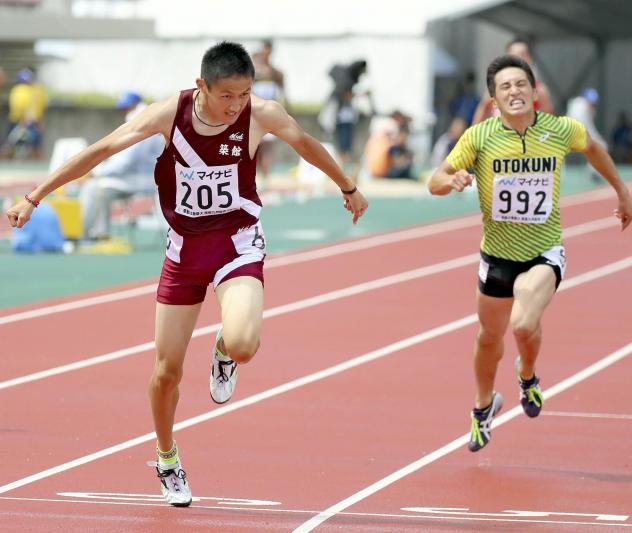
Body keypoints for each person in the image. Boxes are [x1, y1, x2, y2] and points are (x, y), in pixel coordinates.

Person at [6, 41, 368, 506]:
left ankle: (222, 349)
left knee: (243, 343)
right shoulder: (166, 115)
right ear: (202, 86)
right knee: (166, 373)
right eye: (227, 96)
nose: (237, 105)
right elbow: (100, 151)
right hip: (184, 253)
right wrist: (34, 197)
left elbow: (306, 144)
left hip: (238, 243)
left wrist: (348, 186)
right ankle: (166, 456)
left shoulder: (262, 114)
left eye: (244, 94)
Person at [428, 55, 632, 453]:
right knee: (489, 336)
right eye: (505, 87)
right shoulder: (480, 137)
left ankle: (527, 374)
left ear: (535, 91)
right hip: (496, 255)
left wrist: (624, 194)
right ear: (493, 99)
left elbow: (594, 149)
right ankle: (483, 407)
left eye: (521, 84)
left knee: (523, 324)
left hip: (544, 250)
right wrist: (451, 179)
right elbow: (434, 181)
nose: (515, 92)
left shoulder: (560, 130)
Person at [79, 91, 165, 240]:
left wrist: (97, 172)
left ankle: (87, 235)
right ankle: (100, 233)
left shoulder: (143, 121)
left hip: (144, 179)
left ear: (135, 106)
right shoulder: (149, 118)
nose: (124, 112)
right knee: (99, 188)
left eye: (127, 108)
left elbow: (126, 161)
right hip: (145, 176)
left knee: (93, 188)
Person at [472, 37, 554, 124]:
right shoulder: (496, 87)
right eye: (514, 55)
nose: (519, 59)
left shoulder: (539, 90)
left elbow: (550, 122)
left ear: (530, 58)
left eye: (523, 54)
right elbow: (482, 111)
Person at [251, 39, 288, 179]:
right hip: (254, 111)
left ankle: (265, 175)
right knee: (255, 144)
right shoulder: (253, 70)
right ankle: (253, 174)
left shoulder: (275, 72)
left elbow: (283, 90)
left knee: (267, 145)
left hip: (268, 111)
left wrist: (285, 109)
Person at [1, 68, 48, 160]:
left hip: (28, 122)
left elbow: (40, 107)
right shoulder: (22, 90)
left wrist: (39, 121)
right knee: (13, 144)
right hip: (21, 122)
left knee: (31, 145)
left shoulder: (33, 90)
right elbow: (20, 106)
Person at [566, 88, 607, 182]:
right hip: (574, 135)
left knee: (599, 144)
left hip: (572, 135)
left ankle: (593, 171)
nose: (592, 104)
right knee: (601, 145)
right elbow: (585, 127)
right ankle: (593, 171)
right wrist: (596, 138)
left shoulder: (577, 104)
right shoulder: (581, 106)